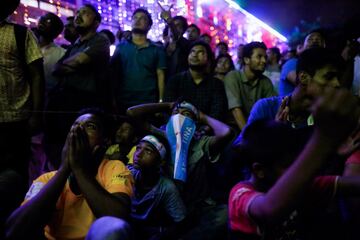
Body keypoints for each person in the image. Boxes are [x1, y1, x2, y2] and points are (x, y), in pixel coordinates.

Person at [229, 87, 360, 239]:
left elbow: (351, 184)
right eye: (287, 165)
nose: (296, 169)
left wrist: (335, 155)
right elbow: (269, 208)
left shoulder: (304, 186)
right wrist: (324, 140)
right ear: (259, 170)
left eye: (297, 162)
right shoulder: (240, 195)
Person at [6, 108, 134, 239]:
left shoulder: (113, 168)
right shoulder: (46, 179)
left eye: (90, 126)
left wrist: (79, 169)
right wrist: (64, 169)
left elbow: (118, 219)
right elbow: (15, 231)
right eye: (75, 126)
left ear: (105, 141)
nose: (77, 131)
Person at [127, 101, 232, 240]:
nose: (179, 118)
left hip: (197, 206)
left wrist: (203, 117)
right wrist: (168, 106)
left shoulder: (202, 143)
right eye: (176, 114)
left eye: (186, 115)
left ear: (194, 123)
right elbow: (132, 113)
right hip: (166, 205)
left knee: (225, 215)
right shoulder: (162, 136)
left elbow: (227, 133)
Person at [45, 4, 110, 169]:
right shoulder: (75, 45)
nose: (78, 15)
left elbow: (77, 62)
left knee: (81, 147)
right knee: (60, 144)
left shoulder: (100, 40)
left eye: (85, 13)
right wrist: (70, 66)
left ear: (96, 22)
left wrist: (69, 66)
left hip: (86, 102)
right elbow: (56, 68)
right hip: (66, 99)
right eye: (78, 12)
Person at [0, 0, 44, 235]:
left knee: (15, 177)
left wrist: (36, 114)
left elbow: (37, 75)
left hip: (15, 120)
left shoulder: (20, 33)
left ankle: (17, 225)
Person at [128, 135, 187, 239]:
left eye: (148, 151)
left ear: (160, 162)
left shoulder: (166, 188)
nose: (138, 154)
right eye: (138, 148)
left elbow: (181, 223)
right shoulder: (128, 173)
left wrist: (161, 234)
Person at [111, 8, 167, 113]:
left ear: (149, 26)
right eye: (135, 18)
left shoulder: (157, 49)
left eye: (142, 19)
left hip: (148, 102)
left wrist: (161, 102)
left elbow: (161, 76)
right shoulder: (121, 47)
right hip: (123, 101)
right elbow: (113, 75)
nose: (137, 20)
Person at [164, 41, 227, 121]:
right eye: (192, 51)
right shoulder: (175, 80)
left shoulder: (216, 84)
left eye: (200, 52)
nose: (194, 54)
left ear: (208, 59)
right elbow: (167, 110)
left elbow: (218, 113)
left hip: (207, 130)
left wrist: (205, 129)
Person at [224, 41, 277, 132]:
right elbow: (236, 110)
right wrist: (248, 138)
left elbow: (272, 109)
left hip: (257, 130)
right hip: (234, 129)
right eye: (259, 57)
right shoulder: (233, 77)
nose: (264, 61)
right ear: (246, 60)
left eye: (265, 57)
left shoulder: (265, 81)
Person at [279, 29, 326, 96]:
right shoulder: (292, 63)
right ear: (302, 47)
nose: (315, 41)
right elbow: (304, 85)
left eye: (319, 40)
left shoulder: (325, 66)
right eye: (310, 39)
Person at [159, 4, 191, 79]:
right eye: (173, 25)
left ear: (183, 31)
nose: (174, 27)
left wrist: (169, 21)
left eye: (178, 26)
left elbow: (177, 37)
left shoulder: (187, 45)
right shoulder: (161, 47)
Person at [36, 12, 66, 93]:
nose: (43, 23)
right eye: (43, 20)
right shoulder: (26, 46)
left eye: (48, 22)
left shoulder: (62, 54)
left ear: (56, 33)